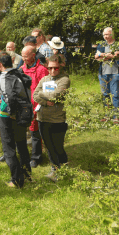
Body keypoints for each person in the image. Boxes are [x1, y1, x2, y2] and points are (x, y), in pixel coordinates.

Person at [0, 52, 33, 188]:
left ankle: (16, 179)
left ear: (0, 64)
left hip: (8, 116)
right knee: (21, 145)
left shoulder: (4, 76)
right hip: (23, 114)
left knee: (8, 148)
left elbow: (8, 96)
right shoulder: (19, 73)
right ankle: (28, 174)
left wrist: (11, 113)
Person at [33, 54, 71, 182]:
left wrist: (43, 94)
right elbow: (34, 95)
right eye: (50, 68)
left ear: (60, 66)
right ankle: (54, 169)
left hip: (57, 119)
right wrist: (44, 101)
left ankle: (64, 168)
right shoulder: (44, 79)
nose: (52, 71)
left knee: (58, 146)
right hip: (43, 118)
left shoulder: (64, 80)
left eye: (55, 68)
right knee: (48, 146)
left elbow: (55, 95)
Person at [20, 46, 49, 168]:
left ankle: (36, 157)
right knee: (25, 131)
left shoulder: (42, 70)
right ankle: (24, 155)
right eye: (22, 56)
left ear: (33, 55)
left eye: (26, 56)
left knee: (37, 132)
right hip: (25, 106)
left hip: (39, 105)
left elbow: (48, 89)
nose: (23, 58)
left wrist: (42, 103)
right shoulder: (21, 69)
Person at [94, 27, 119, 123]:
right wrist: (109, 55)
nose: (105, 37)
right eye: (104, 35)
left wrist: (102, 55)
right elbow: (96, 57)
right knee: (105, 95)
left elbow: (117, 55)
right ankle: (108, 116)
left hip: (115, 73)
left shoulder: (118, 44)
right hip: (103, 74)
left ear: (111, 34)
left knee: (115, 95)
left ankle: (116, 116)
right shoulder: (101, 45)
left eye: (107, 34)